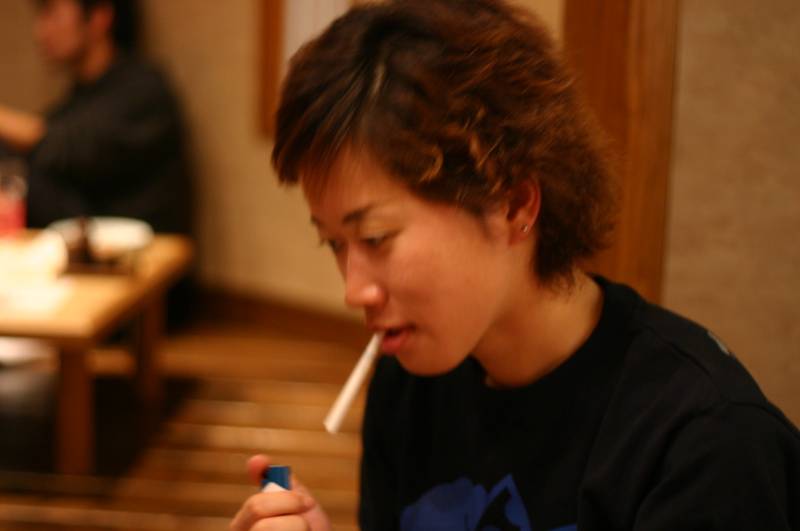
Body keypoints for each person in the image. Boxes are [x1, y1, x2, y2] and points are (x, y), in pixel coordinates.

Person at [231, 0, 800, 529]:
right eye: (333, 243)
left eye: (376, 237)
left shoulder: (705, 445)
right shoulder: (409, 381)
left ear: (514, 204)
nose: (354, 291)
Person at [0, 0, 192, 235]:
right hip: (79, 244)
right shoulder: (78, 100)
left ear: (99, 17)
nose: (40, 31)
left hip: (138, 250)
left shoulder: (143, 89)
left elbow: (68, 146)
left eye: (51, 13)